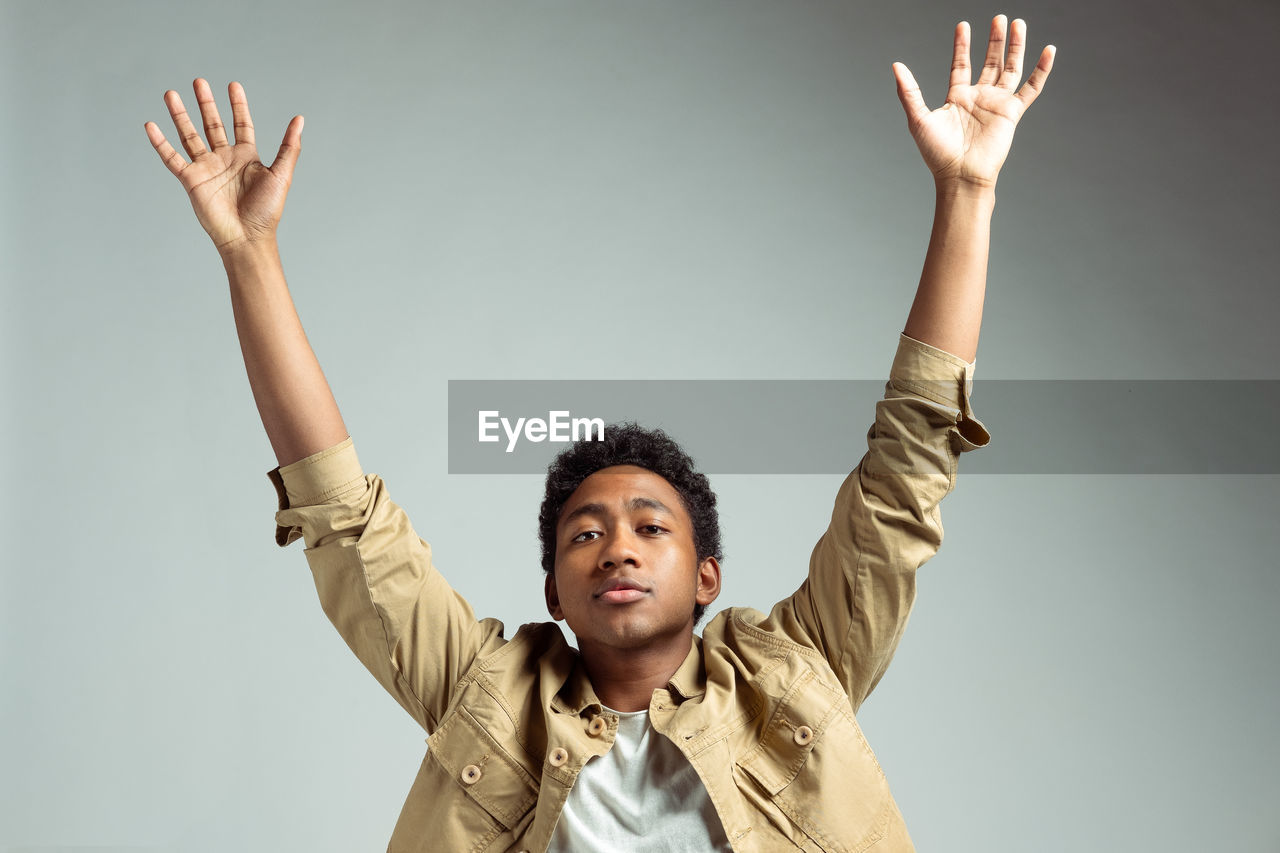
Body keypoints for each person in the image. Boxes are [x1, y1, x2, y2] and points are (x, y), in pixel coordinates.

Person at [145, 14, 1054, 852]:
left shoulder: (797, 671)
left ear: (708, 578)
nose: (617, 547)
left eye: (651, 527)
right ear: (553, 588)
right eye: (586, 533)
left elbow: (908, 462)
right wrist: (248, 253)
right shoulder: (488, 697)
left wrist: (968, 193)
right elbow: (342, 516)